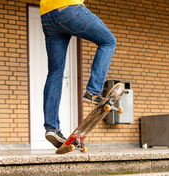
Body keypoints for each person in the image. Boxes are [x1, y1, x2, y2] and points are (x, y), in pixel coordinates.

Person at [40, 0, 116, 148]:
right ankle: (93, 92)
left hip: (47, 14)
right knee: (108, 41)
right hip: (69, 8)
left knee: (55, 72)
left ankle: (51, 127)